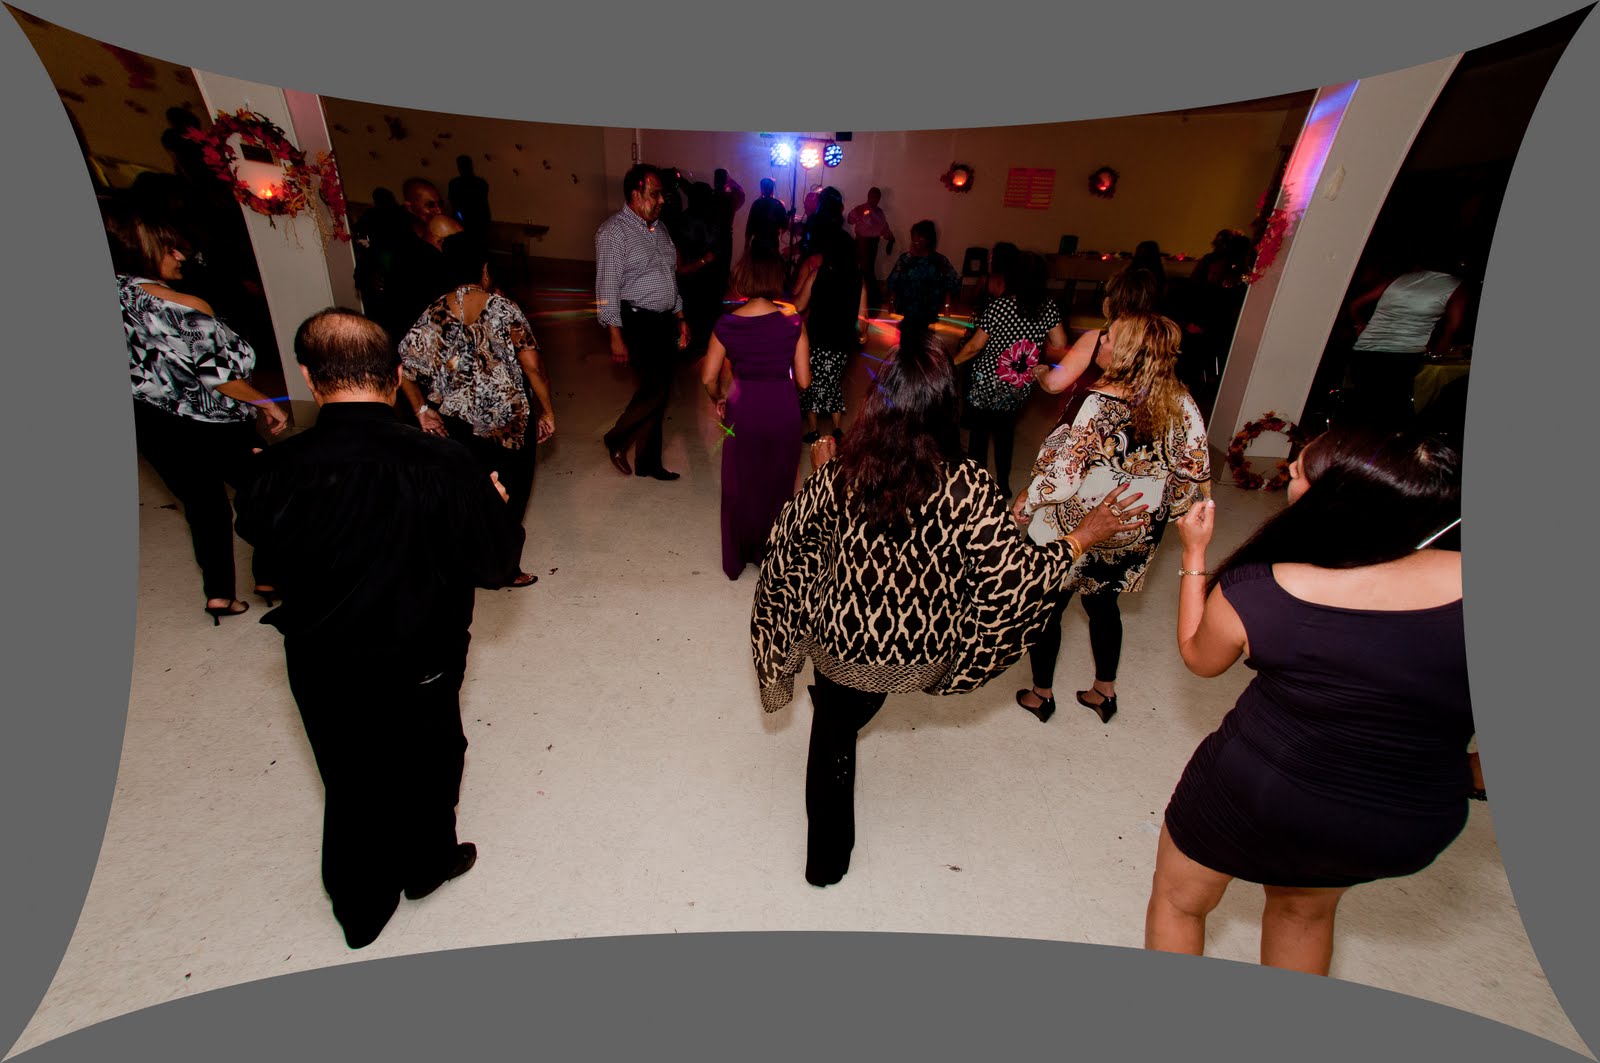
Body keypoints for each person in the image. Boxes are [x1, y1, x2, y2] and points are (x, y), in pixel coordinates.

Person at [751, 334, 1150, 887]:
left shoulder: (845, 470)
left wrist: (822, 473)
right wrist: (1083, 536)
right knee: (846, 716)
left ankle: (825, 863)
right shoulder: (969, 486)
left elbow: (787, 539)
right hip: (921, 647)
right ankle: (848, 711)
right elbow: (1014, 578)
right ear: (947, 405)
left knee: (834, 729)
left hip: (841, 641)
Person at [234, 310, 526, 950]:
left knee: (348, 773)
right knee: (432, 756)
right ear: (396, 376)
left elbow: (266, 553)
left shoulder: (276, 467)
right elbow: (496, 565)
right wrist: (496, 509)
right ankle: (426, 864)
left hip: (321, 655)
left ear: (309, 378)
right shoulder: (445, 463)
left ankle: (361, 909)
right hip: (423, 650)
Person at [1147, 426, 1471, 976]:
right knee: (1304, 912)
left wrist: (1195, 553)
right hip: (1395, 818)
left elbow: (1200, 658)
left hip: (1260, 794)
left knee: (1180, 902)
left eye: (1296, 472)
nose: (1286, 476)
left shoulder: (1262, 591)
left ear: (1334, 500)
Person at [1013, 312, 1210, 724]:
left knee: (1048, 606)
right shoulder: (1183, 402)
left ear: (1126, 353)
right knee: (1104, 604)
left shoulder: (1098, 402)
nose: (1100, 342)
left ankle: (1041, 694)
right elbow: (1193, 474)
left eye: (1108, 338)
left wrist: (1027, 504)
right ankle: (1104, 691)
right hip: (1132, 529)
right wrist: (1156, 514)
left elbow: (1063, 478)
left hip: (1075, 525)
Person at [110, 204, 289, 624]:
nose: (180, 256)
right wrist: (265, 401)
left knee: (202, 505)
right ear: (141, 251)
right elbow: (219, 376)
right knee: (268, 491)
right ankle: (269, 577)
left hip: (151, 423)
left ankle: (219, 595)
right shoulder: (184, 305)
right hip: (214, 425)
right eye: (169, 249)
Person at [399, 234, 556, 588]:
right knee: (511, 492)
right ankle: (504, 569)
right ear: (484, 270)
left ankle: (464, 562)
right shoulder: (504, 308)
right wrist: (547, 410)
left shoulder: (435, 312)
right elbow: (533, 367)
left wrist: (422, 410)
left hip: (456, 426)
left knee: (466, 493)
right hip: (508, 423)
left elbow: (403, 368)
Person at [701, 253, 811, 579]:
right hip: (783, 409)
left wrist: (719, 397)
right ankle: (771, 553)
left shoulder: (727, 324)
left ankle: (738, 557)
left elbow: (708, 377)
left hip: (743, 409)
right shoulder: (793, 323)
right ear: (776, 280)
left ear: (743, 280)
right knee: (778, 484)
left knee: (740, 483)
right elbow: (804, 381)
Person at [596, 163, 691, 481]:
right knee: (654, 389)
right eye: (655, 194)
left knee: (660, 393)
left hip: (664, 321)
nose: (662, 200)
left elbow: (669, 278)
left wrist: (680, 316)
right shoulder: (613, 232)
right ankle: (616, 438)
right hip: (637, 322)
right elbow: (607, 289)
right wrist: (615, 336)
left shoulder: (659, 229)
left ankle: (648, 464)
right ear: (636, 194)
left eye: (662, 194)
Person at [952, 251, 1068, 496]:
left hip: (988, 380)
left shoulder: (1000, 306)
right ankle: (1003, 485)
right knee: (1005, 432)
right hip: (1018, 381)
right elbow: (1060, 342)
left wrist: (951, 363)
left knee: (979, 434)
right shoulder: (1047, 308)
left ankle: (977, 486)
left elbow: (975, 346)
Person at [1344, 256, 1468, 427]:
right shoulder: (1457, 286)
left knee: (1364, 409)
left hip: (1364, 352)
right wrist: (1441, 348)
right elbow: (1453, 327)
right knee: (1394, 412)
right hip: (1403, 354)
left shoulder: (1399, 279)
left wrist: (1359, 324)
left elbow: (1354, 305)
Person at [1033, 265, 1159, 401]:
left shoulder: (1097, 338)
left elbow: (1053, 384)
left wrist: (1042, 373)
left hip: (1095, 411)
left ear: (1110, 302)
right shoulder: (1158, 340)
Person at [792, 224, 867, 442]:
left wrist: (783, 304)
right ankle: (836, 428)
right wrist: (862, 334)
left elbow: (799, 306)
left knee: (811, 383)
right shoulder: (858, 279)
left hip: (816, 339)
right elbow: (863, 317)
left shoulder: (818, 275)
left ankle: (814, 429)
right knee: (833, 382)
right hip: (842, 343)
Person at [885, 220, 960, 336]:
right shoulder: (905, 259)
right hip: (908, 310)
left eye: (920, 237)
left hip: (928, 311)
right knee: (907, 337)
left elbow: (950, 283)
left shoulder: (939, 260)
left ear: (929, 239)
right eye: (914, 238)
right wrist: (891, 301)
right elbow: (893, 281)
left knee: (924, 338)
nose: (916, 241)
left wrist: (947, 307)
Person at [847, 187, 896, 307]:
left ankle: (870, 298)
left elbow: (884, 227)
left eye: (877, 197)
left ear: (879, 199)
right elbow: (849, 219)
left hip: (873, 243)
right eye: (872, 196)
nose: (874, 199)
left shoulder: (879, 212)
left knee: (868, 269)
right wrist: (858, 216)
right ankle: (871, 298)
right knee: (865, 269)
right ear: (868, 196)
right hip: (862, 241)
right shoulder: (861, 208)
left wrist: (891, 239)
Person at [447, 155, 492, 239]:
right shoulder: (480, 183)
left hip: (473, 222)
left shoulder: (455, 184)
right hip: (474, 222)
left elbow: (453, 203)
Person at [745, 178, 789, 257]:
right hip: (772, 243)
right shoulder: (778, 204)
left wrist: (746, 244)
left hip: (758, 243)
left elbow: (750, 226)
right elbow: (785, 225)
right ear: (772, 189)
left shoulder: (757, 203)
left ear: (762, 189)